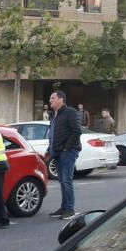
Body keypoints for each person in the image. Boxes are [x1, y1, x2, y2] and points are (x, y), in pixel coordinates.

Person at [47, 90, 82, 220]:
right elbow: (53, 135)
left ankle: (70, 209)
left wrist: (67, 148)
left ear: (61, 99)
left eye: (53, 98)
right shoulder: (53, 115)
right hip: (56, 152)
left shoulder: (71, 112)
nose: (50, 100)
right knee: (62, 181)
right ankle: (64, 207)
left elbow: (76, 131)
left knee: (67, 180)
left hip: (68, 152)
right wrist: (49, 149)